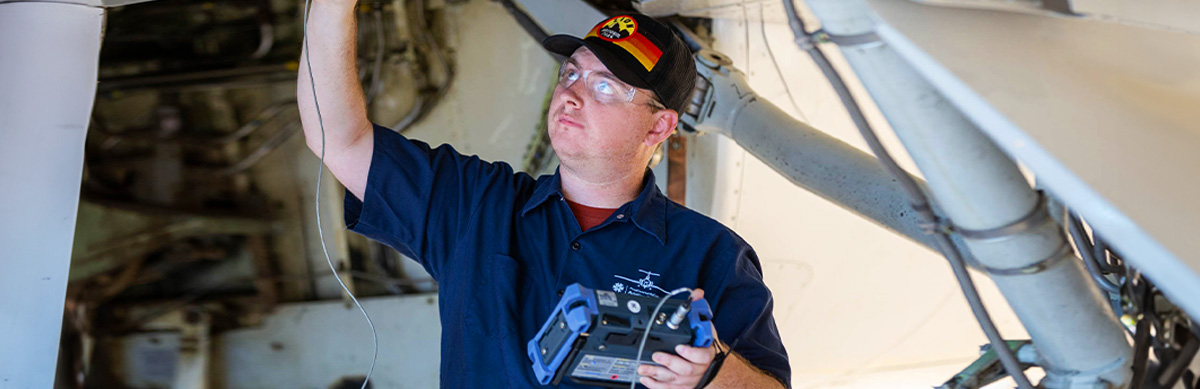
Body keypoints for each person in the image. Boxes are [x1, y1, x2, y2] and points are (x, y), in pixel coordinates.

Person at [298, 4, 789, 387]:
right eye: (571, 73)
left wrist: (711, 375)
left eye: (605, 86)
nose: (572, 94)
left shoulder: (712, 256)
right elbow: (336, 138)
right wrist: (332, 7)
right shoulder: (477, 204)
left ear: (658, 125)